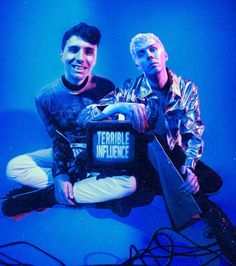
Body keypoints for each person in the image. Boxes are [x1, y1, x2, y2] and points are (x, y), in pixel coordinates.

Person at [93, 33, 236, 264]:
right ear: (137, 63)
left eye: (153, 49)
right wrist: (121, 106)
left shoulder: (188, 88)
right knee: (162, 162)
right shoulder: (129, 89)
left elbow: (193, 132)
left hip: (172, 152)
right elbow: (87, 115)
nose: (149, 55)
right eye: (141, 53)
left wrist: (189, 167)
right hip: (139, 158)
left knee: (211, 181)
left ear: (164, 54)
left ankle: (164, 186)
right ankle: (217, 220)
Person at [2, 22, 137, 216]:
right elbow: (58, 140)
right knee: (14, 167)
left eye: (89, 51)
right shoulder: (45, 96)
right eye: (73, 50)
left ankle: (48, 195)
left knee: (129, 184)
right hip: (67, 152)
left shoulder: (106, 86)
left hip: (96, 156)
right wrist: (60, 173)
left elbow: (110, 138)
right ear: (62, 55)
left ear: (95, 57)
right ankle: (85, 192)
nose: (81, 58)